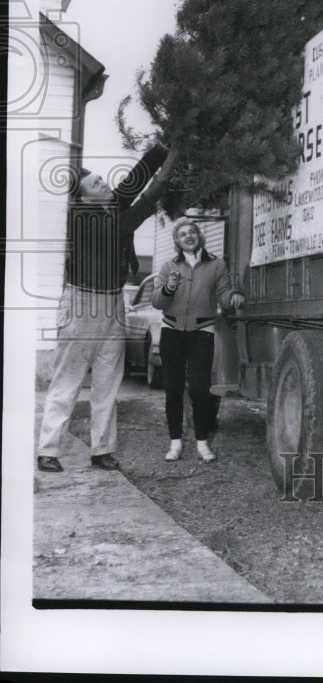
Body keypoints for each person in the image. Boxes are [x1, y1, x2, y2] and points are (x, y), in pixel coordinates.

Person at [37, 145, 170, 472]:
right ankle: (48, 449)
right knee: (67, 379)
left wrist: (163, 149)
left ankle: (101, 450)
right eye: (96, 184)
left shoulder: (108, 205)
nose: (104, 185)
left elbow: (131, 184)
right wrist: (156, 193)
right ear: (83, 198)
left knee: (109, 381)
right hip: (82, 304)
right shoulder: (81, 217)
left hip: (113, 303)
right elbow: (129, 218)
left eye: (101, 180)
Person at [152, 219, 245, 462]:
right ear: (177, 241)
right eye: (183, 234)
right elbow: (157, 302)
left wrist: (233, 296)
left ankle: (202, 443)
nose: (188, 236)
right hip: (171, 332)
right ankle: (175, 444)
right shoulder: (168, 266)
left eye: (192, 232)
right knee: (173, 389)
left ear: (199, 236)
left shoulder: (216, 264)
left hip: (202, 333)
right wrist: (169, 288)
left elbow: (224, 293)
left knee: (200, 389)